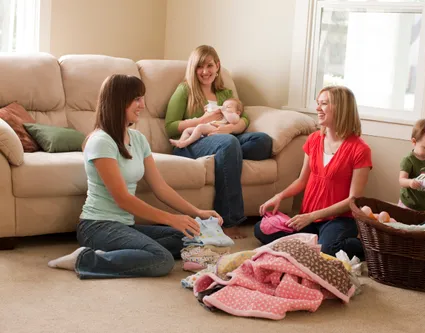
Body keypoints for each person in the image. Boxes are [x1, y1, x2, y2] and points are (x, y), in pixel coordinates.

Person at [47, 74, 222, 279]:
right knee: (161, 260)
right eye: (137, 99)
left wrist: (197, 212)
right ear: (118, 101)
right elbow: (123, 199)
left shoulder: (138, 139)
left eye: (142, 98)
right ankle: (84, 259)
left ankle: (121, 253)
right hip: (97, 226)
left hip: (125, 226)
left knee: (191, 236)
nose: (143, 105)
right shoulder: (101, 141)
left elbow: (160, 187)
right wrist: (170, 218)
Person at [165, 45, 273, 239]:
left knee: (262, 141)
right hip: (193, 142)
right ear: (193, 69)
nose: (205, 71)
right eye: (200, 67)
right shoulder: (185, 90)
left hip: (223, 136)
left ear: (217, 66)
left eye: (209, 65)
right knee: (229, 144)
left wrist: (228, 129)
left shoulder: (225, 93)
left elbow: (244, 119)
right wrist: (202, 121)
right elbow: (171, 126)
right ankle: (229, 220)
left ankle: (227, 155)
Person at [254, 86, 372, 260]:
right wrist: (279, 196)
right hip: (308, 217)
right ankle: (311, 244)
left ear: (341, 108)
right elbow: (302, 180)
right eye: (318, 103)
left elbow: (352, 201)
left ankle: (367, 246)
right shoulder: (314, 140)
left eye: (323, 103)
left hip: (339, 220)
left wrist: (311, 216)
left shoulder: (360, 149)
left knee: (327, 251)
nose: (317, 108)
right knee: (262, 229)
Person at [169, 98, 243, 148]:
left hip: (216, 129)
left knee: (200, 127)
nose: (224, 108)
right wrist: (210, 109)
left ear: (238, 112)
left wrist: (224, 110)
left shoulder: (234, 116)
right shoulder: (222, 113)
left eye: (228, 107)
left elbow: (234, 120)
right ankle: (181, 142)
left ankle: (187, 142)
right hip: (208, 128)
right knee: (187, 130)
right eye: (223, 106)